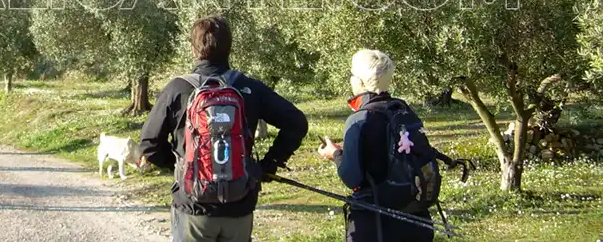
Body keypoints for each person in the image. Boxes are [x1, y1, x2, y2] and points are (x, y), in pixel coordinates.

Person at [140, 15, 309, 242]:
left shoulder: (177, 89)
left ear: (193, 49)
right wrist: (267, 166)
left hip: (193, 206)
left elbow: (149, 144)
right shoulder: (248, 87)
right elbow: (297, 122)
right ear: (229, 49)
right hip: (239, 204)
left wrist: (184, 168)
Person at [317, 49, 434, 242]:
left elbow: (352, 178)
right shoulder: (402, 108)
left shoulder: (359, 119)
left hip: (376, 222)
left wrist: (335, 154)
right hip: (414, 216)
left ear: (360, 81)